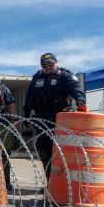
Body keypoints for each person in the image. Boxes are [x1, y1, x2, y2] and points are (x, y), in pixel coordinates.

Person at [23, 52, 87, 186]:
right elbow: (29, 96)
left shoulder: (64, 75)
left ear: (56, 62)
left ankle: (65, 185)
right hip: (42, 119)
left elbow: (76, 88)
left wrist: (80, 100)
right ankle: (51, 184)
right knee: (44, 152)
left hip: (60, 119)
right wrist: (26, 113)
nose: (47, 67)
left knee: (61, 153)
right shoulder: (37, 77)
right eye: (44, 65)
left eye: (50, 64)